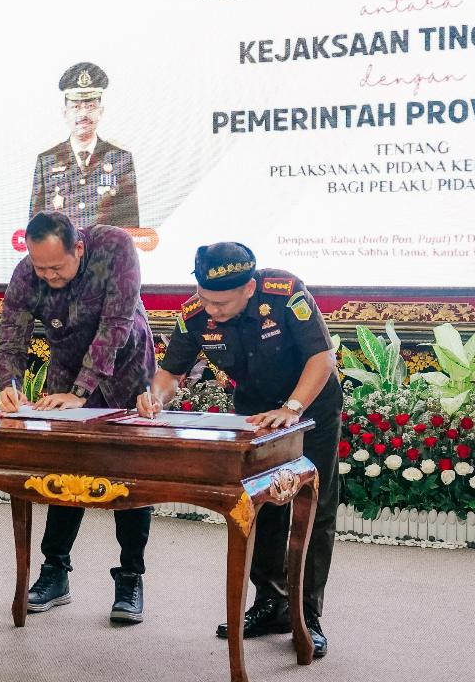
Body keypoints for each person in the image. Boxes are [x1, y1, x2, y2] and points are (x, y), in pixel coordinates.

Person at [138, 241, 340, 657]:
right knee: (263, 504)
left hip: (310, 408)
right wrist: (155, 396)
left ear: (249, 288)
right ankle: (269, 603)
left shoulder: (285, 294)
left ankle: (306, 615)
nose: (211, 309)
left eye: (221, 302)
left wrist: (292, 408)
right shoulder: (196, 314)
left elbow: (321, 358)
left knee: (311, 504)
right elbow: (171, 372)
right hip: (254, 415)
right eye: (205, 299)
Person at [0, 211, 155, 623]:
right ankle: (55, 573)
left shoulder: (115, 246)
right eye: (39, 266)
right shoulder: (27, 273)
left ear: (78, 248)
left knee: (130, 476)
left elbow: (115, 324)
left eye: (57, 267)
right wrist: (9, 383)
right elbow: (12, 333)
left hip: (126, 369)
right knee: (64, 472)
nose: (47, 274)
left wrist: (81, 392)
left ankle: (130, 577)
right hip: (66, 372)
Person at [29, 62, 139, 229]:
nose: (83, 114)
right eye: (76, 107)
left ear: (100, 111)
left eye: (90, 106)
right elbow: (34, 230)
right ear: (64, 112)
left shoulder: (120, 159)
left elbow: (131, 229)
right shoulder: (47, 161)